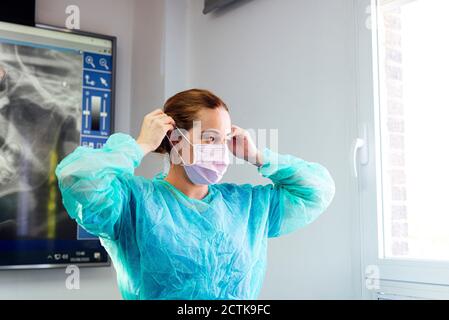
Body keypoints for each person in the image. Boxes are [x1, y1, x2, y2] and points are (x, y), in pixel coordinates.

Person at [55, 88, 335, 300]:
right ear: (176, 139)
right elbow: (77, 177)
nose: (220, 149)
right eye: (210, 138)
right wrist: (140, 145)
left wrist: (258, 156)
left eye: (224, 140)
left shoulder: (247, 206)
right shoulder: (133, 204)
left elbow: (317, 191)